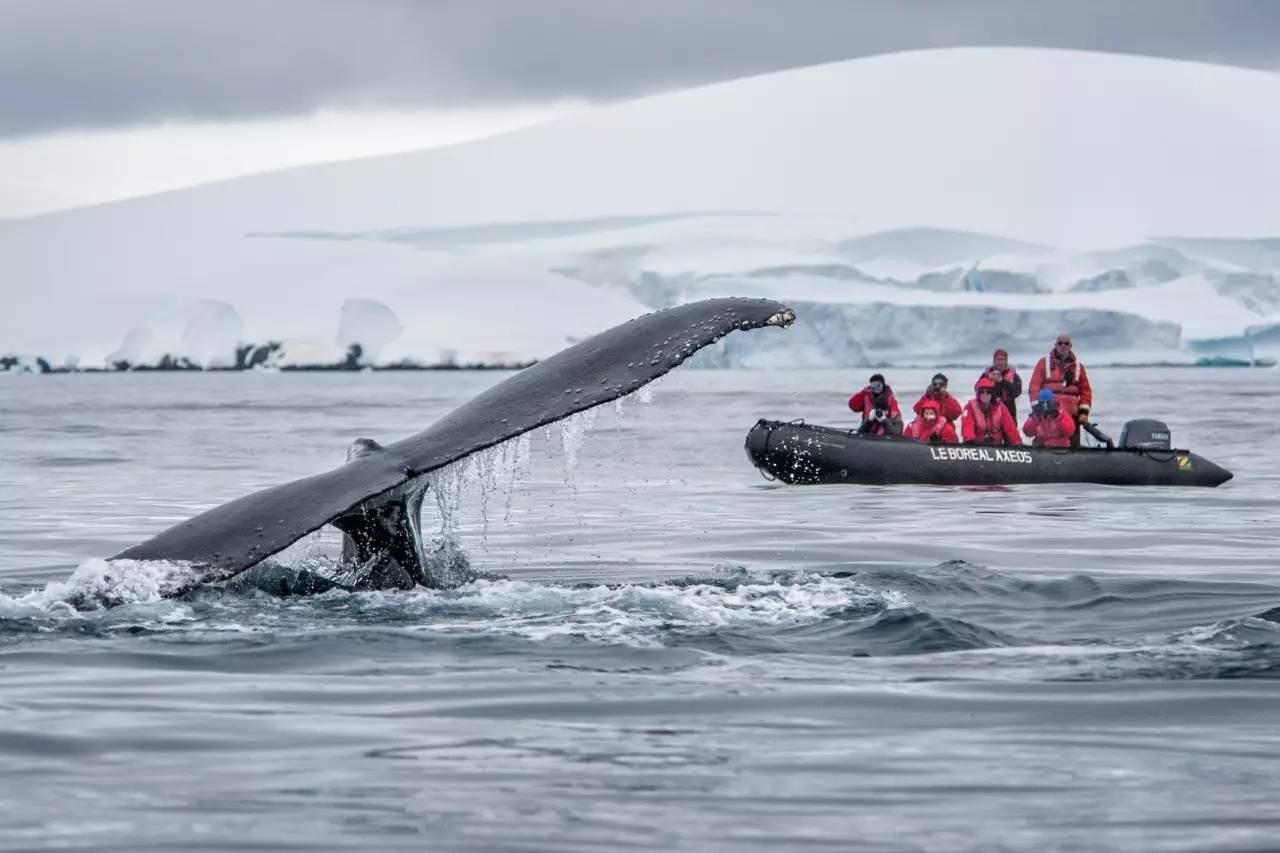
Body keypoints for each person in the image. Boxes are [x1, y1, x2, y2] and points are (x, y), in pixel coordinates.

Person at [1029, 334, 1092, 447]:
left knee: (1073, 447)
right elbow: (1034, 386)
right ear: (1055, 345)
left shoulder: (1078, 367)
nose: (1063, 346)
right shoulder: (1044, 363)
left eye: (1066, 343)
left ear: (1070, 346)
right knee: (1044, 444)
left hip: (1071, 415)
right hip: (1048, 415)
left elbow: (1086, 392)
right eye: (1060, 343)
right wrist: (1037, 408)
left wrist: (1083, 413)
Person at [962, 378, 1021, 445]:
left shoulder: (1000, 407)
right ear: (978, 394)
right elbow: (967, 425)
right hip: (977, 445)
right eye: (982, 392)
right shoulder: (970, 407)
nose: (985, 394)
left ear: (992, 394)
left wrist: (1017, 442)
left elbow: (1010, 427)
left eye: (988, 392)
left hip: (997, 446)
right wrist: (970, 441)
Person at [977, 349, 1023, 420]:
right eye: (998, 359)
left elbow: (1017, 392)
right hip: (989, 412)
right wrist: (987, 380)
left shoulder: (1014, 376)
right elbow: (977, 389)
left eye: (1002, 359)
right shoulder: (986, 375)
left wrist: (1003, 382)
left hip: (1009, 412)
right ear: (994, 361)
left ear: (1006, 361)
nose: (1000, 362)